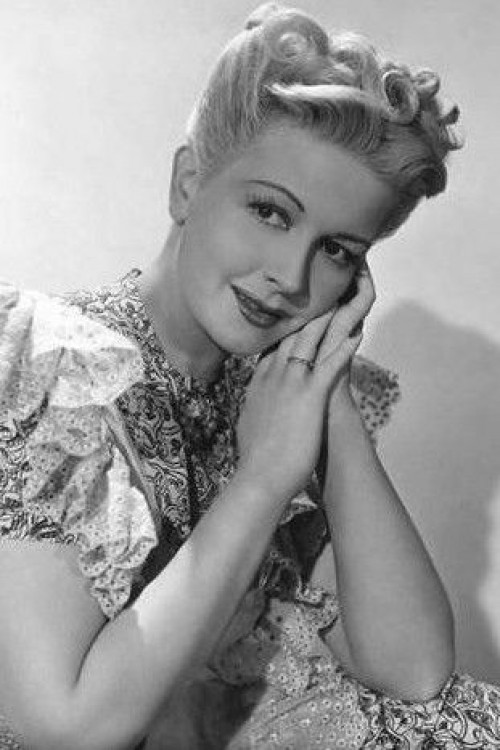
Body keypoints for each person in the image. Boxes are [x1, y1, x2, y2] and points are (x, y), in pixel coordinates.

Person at [0, 3, 498, 749]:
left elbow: (416, 674)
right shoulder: (52, 366)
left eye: (337, 251)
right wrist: (263, 479)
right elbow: (68, 731)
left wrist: (328, 390)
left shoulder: (277, 396)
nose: (290, 277)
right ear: (187, 183)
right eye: (270, 212)